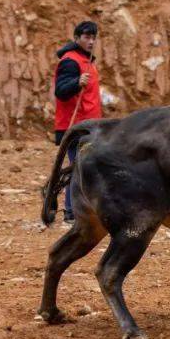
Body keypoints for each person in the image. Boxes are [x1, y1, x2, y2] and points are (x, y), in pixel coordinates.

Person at [53, 20, 102, 224]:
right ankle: (71, 212)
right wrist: (76, 82)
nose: (91, 41)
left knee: (84, 166)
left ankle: (81, 209)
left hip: (90, 124)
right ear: (77, 38)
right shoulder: (70, 61)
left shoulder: (86, 60)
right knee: (78, 167)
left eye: (93, 38)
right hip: (76, 125)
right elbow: (61, 91)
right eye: (86, 37)